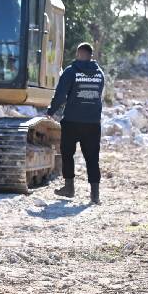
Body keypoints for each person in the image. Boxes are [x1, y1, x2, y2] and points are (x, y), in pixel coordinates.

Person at [46, 42, 106, 203]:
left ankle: (69, 188)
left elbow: (60, 95)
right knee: (93, 158)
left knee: (67, 154)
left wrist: (51, 111)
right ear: (91, 55)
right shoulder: (100, 74)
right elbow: (97, 95)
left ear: (78, 54)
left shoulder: (71, 71)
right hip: (93, 123)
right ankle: (95, 195)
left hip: (72, 121)